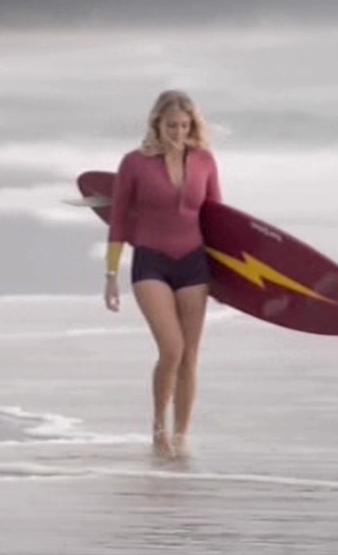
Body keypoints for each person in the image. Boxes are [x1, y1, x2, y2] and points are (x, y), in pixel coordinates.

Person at [103, 89, 222, 460]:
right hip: (151, 261)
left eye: (185, 125)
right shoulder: (134, 163)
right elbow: (119, 220)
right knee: (171, 349)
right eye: (172, 125)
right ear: (157, 123)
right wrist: (110, 274)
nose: (178, 132)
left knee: (189, 357)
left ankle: (181, 436)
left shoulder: (204, 160)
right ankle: (159, 429)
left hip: (194, 263)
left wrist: (227, 281)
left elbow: (218, 220)